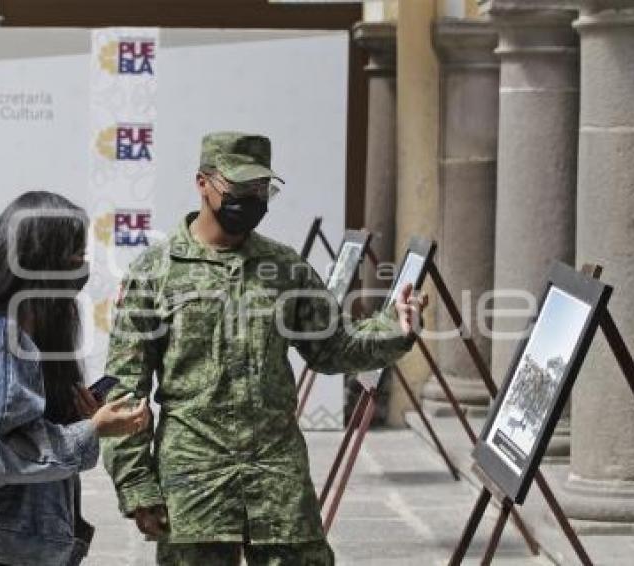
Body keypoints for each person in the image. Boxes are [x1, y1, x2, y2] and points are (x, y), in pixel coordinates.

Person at [101, 132, 428, 565]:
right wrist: (136, 483)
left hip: (275, 475)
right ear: (203, 183)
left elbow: (333, 347)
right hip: (194, 477)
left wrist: (394, 327)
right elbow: (125, 388)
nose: (253, 199)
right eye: (240, 189)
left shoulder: (284, 269)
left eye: (262, 189)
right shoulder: (155, 272)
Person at [0, 191, 150, 566]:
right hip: (1, 548)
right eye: (74, 254)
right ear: (37, 258)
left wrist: (79, 418)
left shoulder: (26, 327)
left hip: (20, 544)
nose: (83, 265)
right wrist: (91, 430)